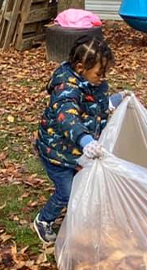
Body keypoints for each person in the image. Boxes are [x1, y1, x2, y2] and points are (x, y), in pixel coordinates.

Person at [33, 35, 125, 243]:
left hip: (76, 152)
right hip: (56, 152)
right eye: (99, 73)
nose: (103, 77)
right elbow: (68, 118)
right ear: (81, 67)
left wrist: (113, 102)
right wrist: (85, 140)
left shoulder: (94, 83)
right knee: (66, 192)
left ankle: (81, 215)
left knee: (82, 185)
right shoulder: (66, 88)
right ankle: (44, 220)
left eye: (105, 73)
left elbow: (94, 108)